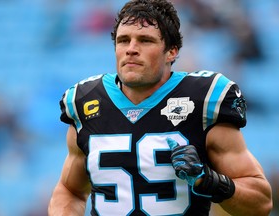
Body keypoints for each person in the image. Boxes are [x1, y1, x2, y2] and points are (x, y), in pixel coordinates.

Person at [48, 0, 272, 215]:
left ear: (172, 51)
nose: (131, 49)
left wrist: (209, 181)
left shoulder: (203, 100)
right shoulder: (86, 101)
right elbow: (70, 191)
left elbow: (260, 204)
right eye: (123, 40)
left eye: (145, 40)